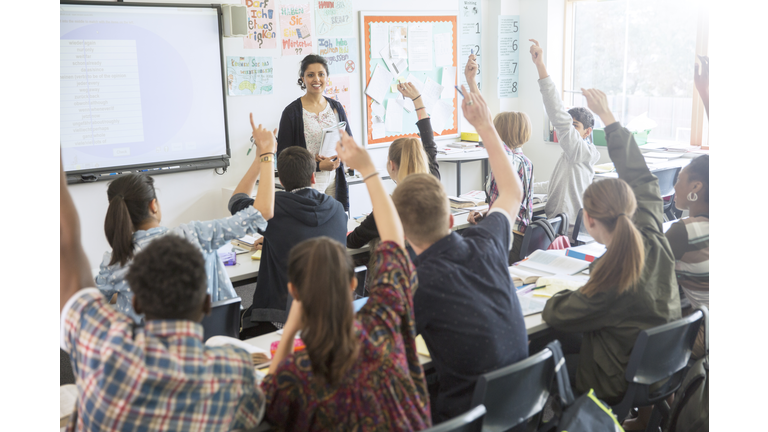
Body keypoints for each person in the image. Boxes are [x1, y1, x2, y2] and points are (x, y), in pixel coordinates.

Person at [60, 159, 265, 431]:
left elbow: (72, 271)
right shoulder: (234, 373)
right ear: (206, 304)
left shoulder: (104, 372)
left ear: (137, 302)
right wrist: (266, 153)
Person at [260, 130, 431, 431]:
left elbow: (264, 402)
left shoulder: (296, 373)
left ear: (293, 292)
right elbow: (393, 238)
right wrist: (367, 169)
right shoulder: (385, 324)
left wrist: (289, 333)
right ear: (353, 284)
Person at [392, 87, 528, 422]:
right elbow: (512, 191)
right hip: (522, 406)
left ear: (405, 235)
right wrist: (484, 125)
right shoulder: (488, 243)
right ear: (452, 219)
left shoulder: (417, 283)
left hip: (467, 418)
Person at [541, 88, 681, 406]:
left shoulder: (611, 278)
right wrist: (608, 116)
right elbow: (642, 176)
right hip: (659, 367)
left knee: (544, 351)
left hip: (616, 378)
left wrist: (560, 290)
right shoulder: (652, 234)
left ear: (587, 220)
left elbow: (556, 312)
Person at [96, 116, 276, 322]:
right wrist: (267, 154)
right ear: (153, 205)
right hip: (207, 343)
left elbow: (92, 310)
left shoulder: (114, 262)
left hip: (145, 350)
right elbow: (262, 212)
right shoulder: (194, 236)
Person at [229, 144, 347, 337]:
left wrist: (261, 158)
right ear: (313, 177)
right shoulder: (338, 209)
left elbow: (235, 201)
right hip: (330, 316)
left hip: (283, 321)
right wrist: (271, 239)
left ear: (281, 181)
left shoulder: (273, 209)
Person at [346, 82, 441, 249]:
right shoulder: (434, 183)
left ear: (391, 165)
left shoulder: (388, 208)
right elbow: (429, 144)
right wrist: (417, 100)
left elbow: (353, 242)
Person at [464, 53, 534, 263]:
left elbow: (488, 125)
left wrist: (471, 83)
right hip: (517, 236)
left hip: (509, 240)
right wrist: (486, 215)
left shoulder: (511, 160)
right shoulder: (525, 162)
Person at [529, 39, 600, 233]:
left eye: (574, 126)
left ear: (587, 132)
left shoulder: (577, 150)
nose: (567, 130)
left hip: (565, 232)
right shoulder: (571, 154)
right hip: (560, 225)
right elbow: (555, 185)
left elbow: (557, 113)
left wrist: (540, 66)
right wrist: (526, 187)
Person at [665, 56, 709, 359]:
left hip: (704, 332)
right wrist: (706, 96)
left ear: (696, 188)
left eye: (679, 180)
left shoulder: (685, 231)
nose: (674, 187)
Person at [277, 54, 352, 210]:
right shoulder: (291, 112)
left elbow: (349, 143)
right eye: (310, 75)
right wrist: (316, 164)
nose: (316, 79)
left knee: (336, 224)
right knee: (313, 228)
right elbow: (283, 158)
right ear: (303, 78)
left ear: (327, 77)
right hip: (306, 182)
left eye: (321, 74)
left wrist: (339, 158)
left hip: (335, 178)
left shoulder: (336, 107)